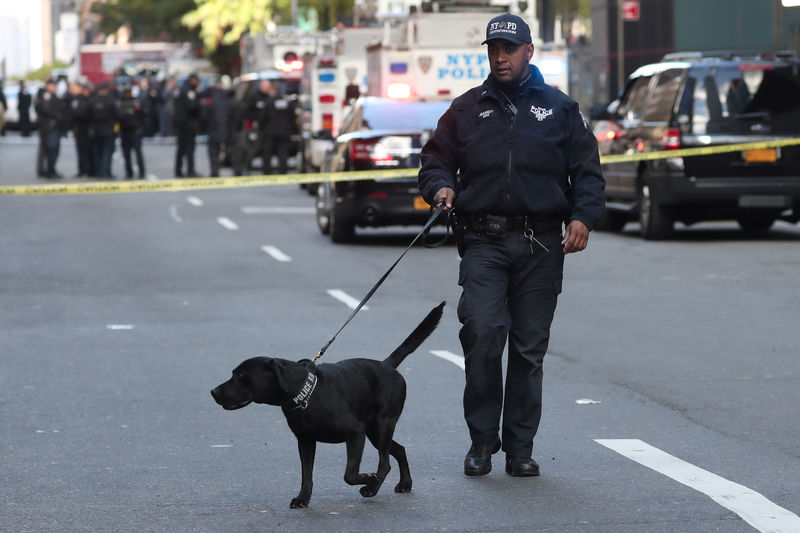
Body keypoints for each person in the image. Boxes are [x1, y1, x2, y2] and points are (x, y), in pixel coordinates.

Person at [418, 13, 605, 478]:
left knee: (527, 349)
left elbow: (588, 173)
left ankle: (520, 448)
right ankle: (482, 441)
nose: (500, 57)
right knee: (482, 334)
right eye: (493, 50)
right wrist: (440, 188)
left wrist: (582, 217)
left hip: (542, 242)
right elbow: (434, 161)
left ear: (528, 52)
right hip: (483, 240)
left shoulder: (560, 109)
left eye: (509, 49)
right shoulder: (464, 109)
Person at [205, 75, 242, 177]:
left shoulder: (211, 99)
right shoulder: (231, 99)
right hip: (229, 129)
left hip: (215, 129)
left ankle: (215, 172)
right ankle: (237, 170)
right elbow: (238, 114)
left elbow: (205, 115)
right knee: (233, 150)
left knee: (213, 151)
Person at [261, 80, 299, 175]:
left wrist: (261, 129)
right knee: (283, 153)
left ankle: (267, 171)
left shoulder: (269, 101)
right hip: (284, 132)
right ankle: (283, 171)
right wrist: (292, 129)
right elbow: (292, 117)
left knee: (267, 152)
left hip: (270, 131)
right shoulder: (287, 102)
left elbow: (263, 117)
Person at [35, 79, 66, 178]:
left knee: (47, 150)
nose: (55, 87)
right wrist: (58, 116)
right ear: (48, 85)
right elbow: (46, 109)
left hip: (48, 126)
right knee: (51, 150)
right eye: (53, 85)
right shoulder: (47, 95)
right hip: (50, 127)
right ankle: (50, 171)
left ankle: (47, 170)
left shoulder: (47, 95)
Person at [116, 84, 147, 179]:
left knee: (138, 153)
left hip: (135, 131)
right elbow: (119, 115)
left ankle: (142, 172)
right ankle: (129, 172)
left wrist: (139, 110)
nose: (128, 94)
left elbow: (144, 115)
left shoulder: (137, 102)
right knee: (126, 154)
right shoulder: (120, 102)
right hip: (125, 131)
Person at [173, 73, 201, 177]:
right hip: (187, 123)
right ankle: (190, 170)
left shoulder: (182, 89)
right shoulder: (189, 91)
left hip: (182, 123)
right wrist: (199, 102)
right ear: (193, 80)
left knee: (181, 148)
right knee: (189, 148)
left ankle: (178, 170)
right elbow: (191, 106)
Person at [89, 82, 118, 178]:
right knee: (107, 152)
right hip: (108, 130)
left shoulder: (92, 101)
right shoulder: (111, 101)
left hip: (96, 130)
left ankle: (98, 172)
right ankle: (106, 172)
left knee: (98, 153)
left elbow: (87, 114)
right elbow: (118, 114)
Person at [67, 81, 93, 177]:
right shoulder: (77, 99)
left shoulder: (84, 99)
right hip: (79, 129)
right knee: (81, 151)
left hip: (85, 129)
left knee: (86, 151)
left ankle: (87, 170)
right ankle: (82, 170)